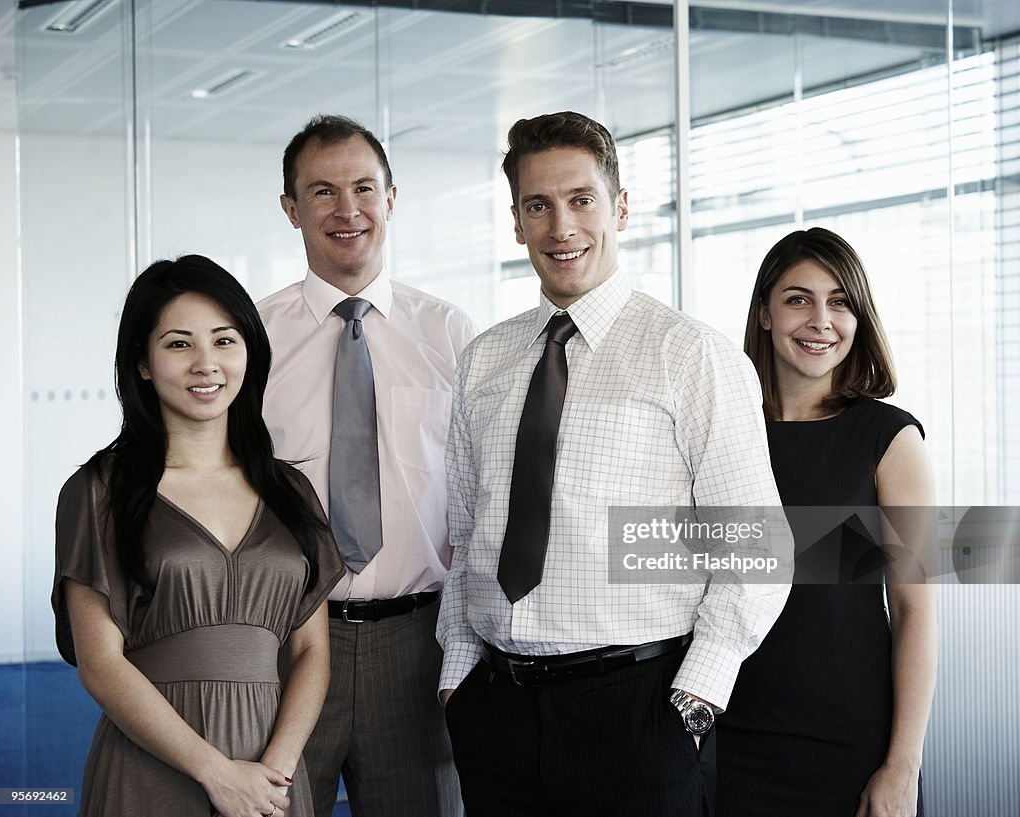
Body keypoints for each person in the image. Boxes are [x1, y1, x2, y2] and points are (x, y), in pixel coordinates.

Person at [435, 110, 792, 817]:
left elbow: (755, 545)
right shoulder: (485, 360)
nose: (561, 226)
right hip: (498, 712)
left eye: (581, 200)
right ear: (516, 222)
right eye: (538, 205)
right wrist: (457, 677)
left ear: (620, 207)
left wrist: (693, 700)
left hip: (640, 708)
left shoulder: (689, 354)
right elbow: (469, 533)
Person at [51, 255, 344, 817]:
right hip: (151, 764)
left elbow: (311, 653)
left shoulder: (292, 492)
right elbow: (100, 663)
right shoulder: (96, 492)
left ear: (250, 352)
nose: (206, 364)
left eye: (225, 340)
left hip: (270, 774)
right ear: (142, 363)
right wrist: (217, 774)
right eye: (179, 344)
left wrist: (272, 775)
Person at [258, 114, 475, 817]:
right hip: (289, 639)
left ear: (391, 198)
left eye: (362, 188)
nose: (346, 210)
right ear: (291, 208)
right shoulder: (251, 340)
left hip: (418, 644)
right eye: (322, 192)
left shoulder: (450, 333)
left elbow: (482, 493)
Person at [716, 227, 937, 817]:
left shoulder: (888, 437)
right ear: (764, 313)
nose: (821, 320)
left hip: (848, 744)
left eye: (840, 301)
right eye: (798, 299)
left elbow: (914, 610)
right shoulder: (722, 432)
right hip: (723, 735)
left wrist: (901, 766)